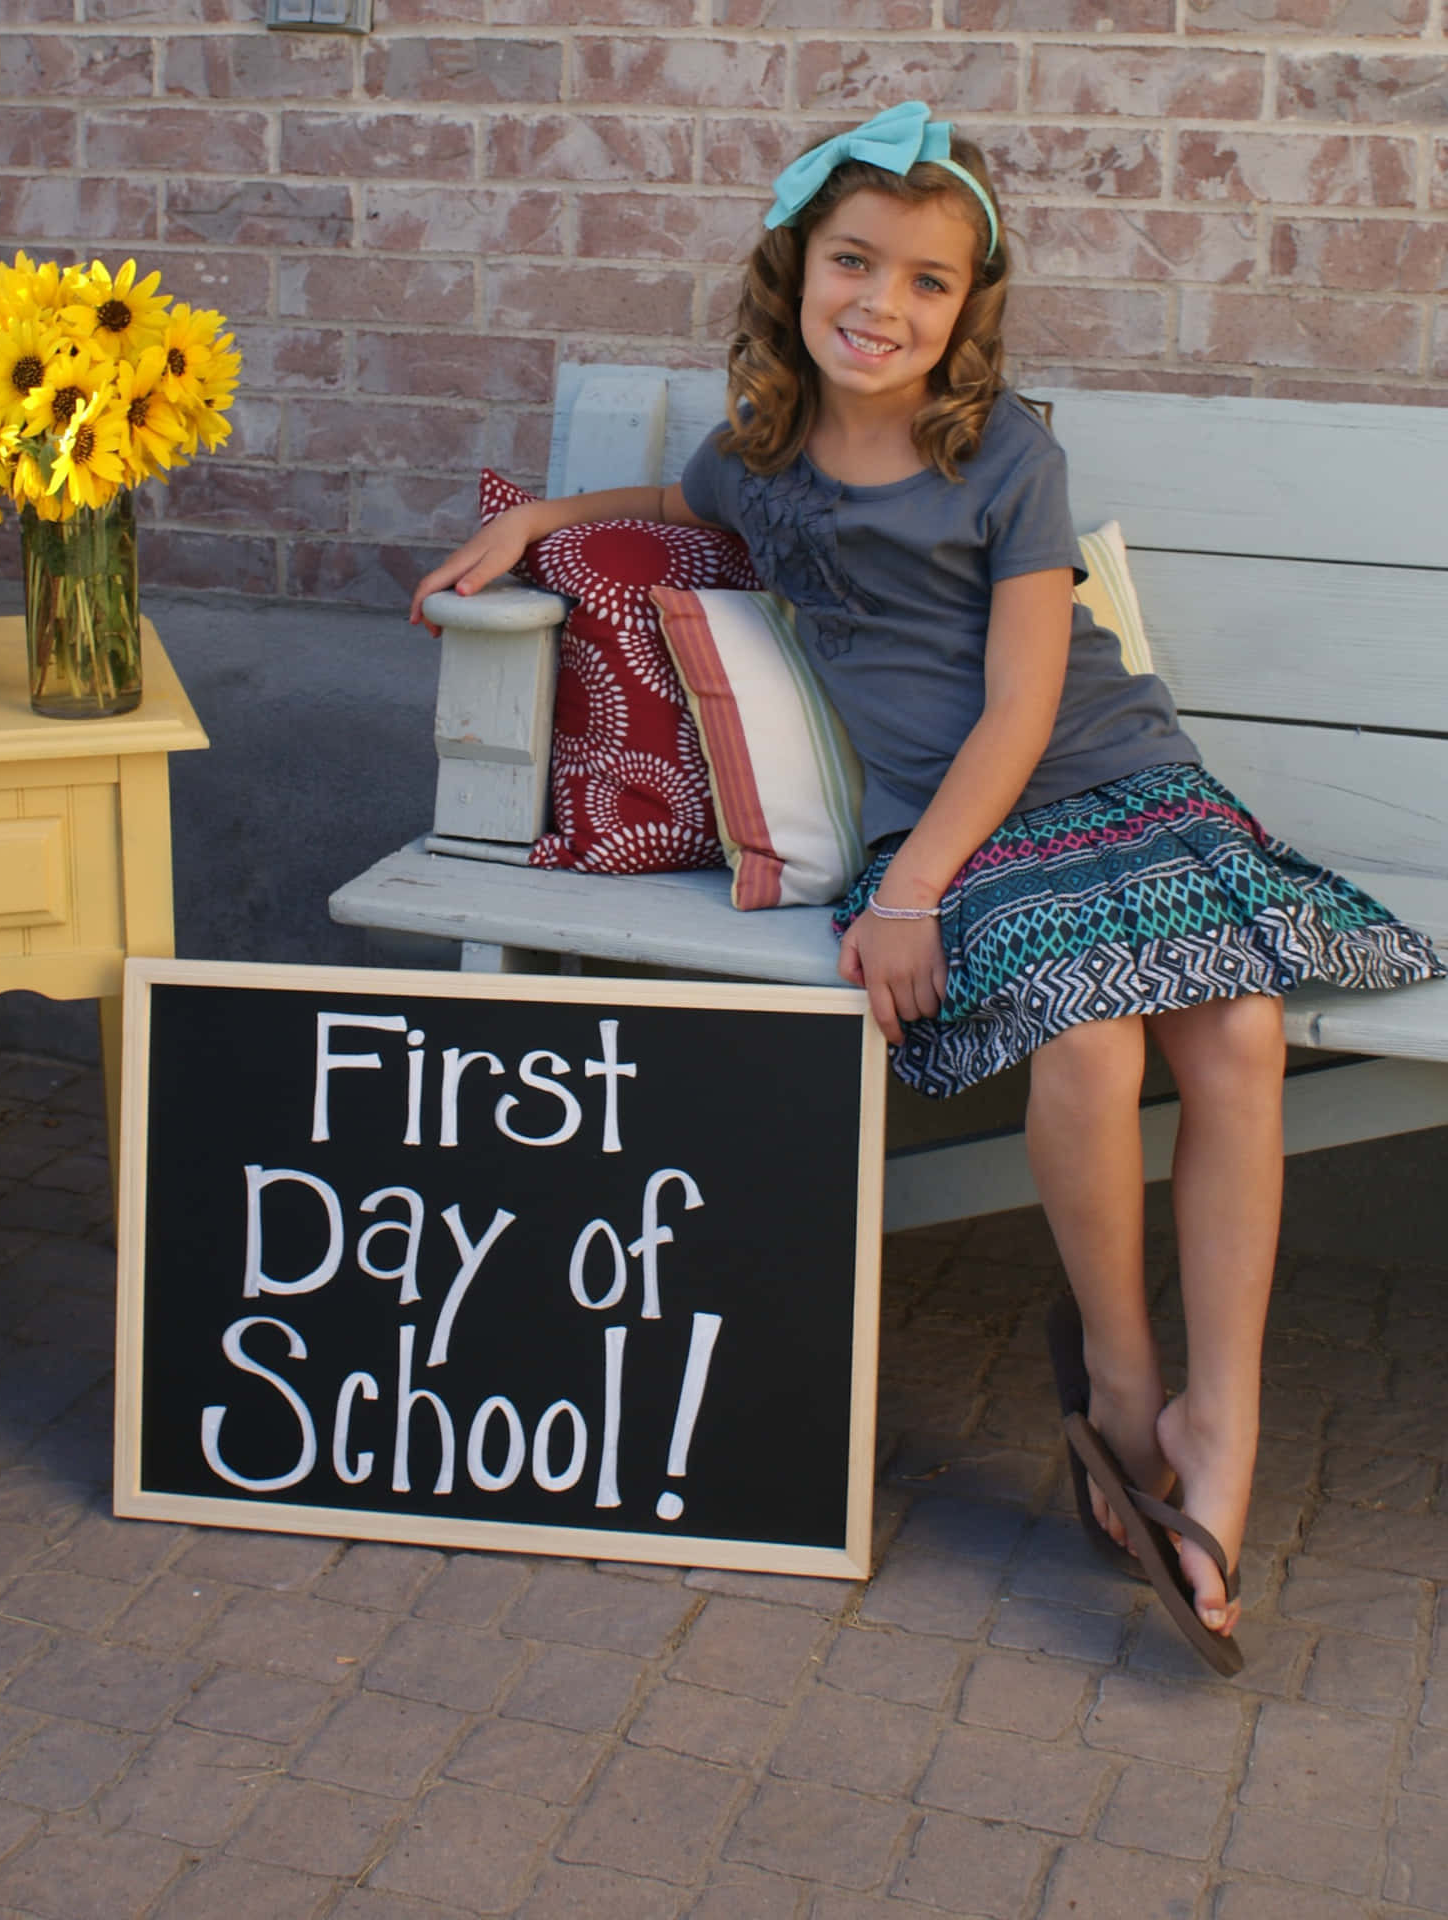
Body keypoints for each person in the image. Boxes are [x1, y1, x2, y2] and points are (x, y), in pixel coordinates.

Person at [410, 100, 1444, 1673]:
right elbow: (685, 514)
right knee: (1091, 1040)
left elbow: (1027, 704)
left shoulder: (1004, 450)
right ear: (795, 268)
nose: (883, 306)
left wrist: (907, 906)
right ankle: (1115, 1379)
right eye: (854, 263)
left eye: (928, 283)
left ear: (970, 309)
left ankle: (1217, 1419)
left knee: (1233, 1029)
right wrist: (549, 521)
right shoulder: (757, 458)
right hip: (947, 838)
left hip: (1111, 779)